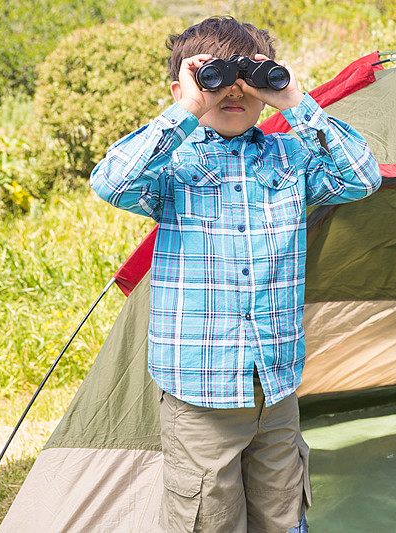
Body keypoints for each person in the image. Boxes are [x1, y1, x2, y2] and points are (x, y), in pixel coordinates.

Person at [90, 15, 381, 533]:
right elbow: (111, 182)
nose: (233, 91)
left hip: (276, 383)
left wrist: (295, 101)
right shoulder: (172, 166)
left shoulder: (290, 158)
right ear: (181, 88)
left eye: (249, 78)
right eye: (214, 78)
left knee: (283, 513)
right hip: (200, 392)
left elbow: (362, 177)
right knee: (208, 518)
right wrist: (187, 110)